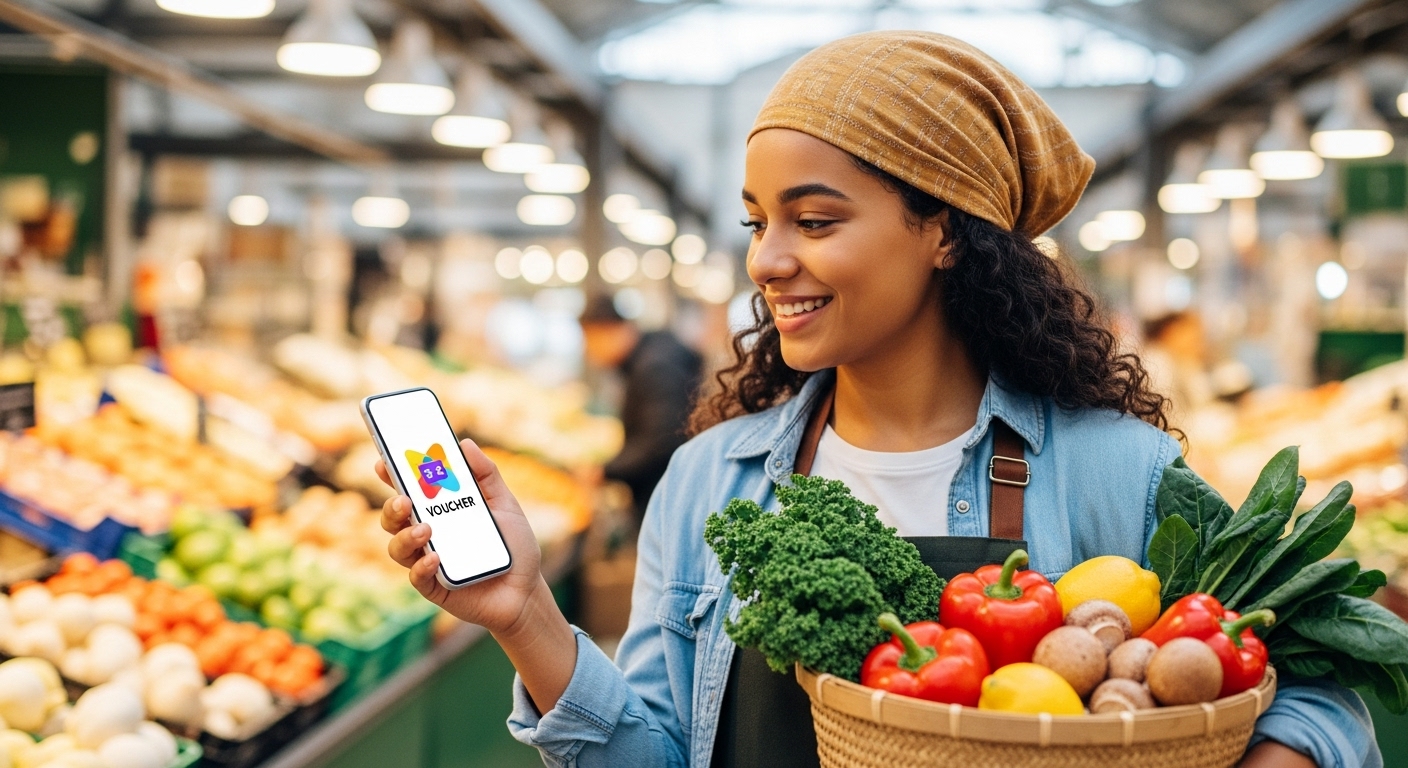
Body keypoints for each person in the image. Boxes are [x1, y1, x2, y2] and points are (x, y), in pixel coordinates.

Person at [376, 31, 1378, 768]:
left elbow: (1322, 692)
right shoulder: (710, 481)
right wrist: (524, 618)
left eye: (813, 219)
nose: (768, 260)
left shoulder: (1114, 468)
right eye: (759, 221)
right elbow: (653, 755)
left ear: (941, 230)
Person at [579, 294, 703, 516]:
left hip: (666, 494)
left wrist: (606, 471)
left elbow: (663, 439)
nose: (589, 351)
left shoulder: (655, 366)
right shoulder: (649, 354)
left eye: (590, 339)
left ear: (607, 330)